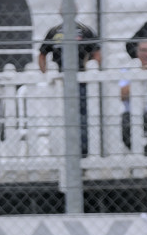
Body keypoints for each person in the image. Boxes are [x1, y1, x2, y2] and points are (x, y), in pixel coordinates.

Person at [38, 19, 101, 157]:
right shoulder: (54, 31)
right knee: (59, 117)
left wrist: (91, 70)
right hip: (59, 83)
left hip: (81, 82)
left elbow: (97, 53)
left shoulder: (84, 30)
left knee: (82, 118)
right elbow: (42, 55)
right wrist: (47, 76)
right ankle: (61, 153)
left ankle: (82, 153)